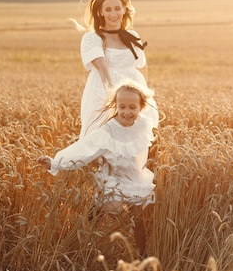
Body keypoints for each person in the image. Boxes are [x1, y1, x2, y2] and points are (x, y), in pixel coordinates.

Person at [37, 81, 156, 256]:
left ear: (141, 107)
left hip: (136, 178)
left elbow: (149, 146)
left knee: (138, 220)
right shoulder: (108, 131)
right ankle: (81, 248)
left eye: (132, 107)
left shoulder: (144, 125)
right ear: (115, 106)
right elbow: (84, 149)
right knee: (94, 214)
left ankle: (142, 256)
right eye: (121, 107)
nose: (127, 112)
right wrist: (55, 162)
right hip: (113, 178)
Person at [72, 0, 158, 138]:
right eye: (108, 9)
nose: (113, 14)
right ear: (100, 12)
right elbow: (102, 67)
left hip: (133, 90)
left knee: (138, 136)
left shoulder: (132, 35)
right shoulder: (92, 38)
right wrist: (113, 97)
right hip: (103, 90)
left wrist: (144, 93)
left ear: (125, 9)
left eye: (117, 8)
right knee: (102, 134)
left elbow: (141, 66)